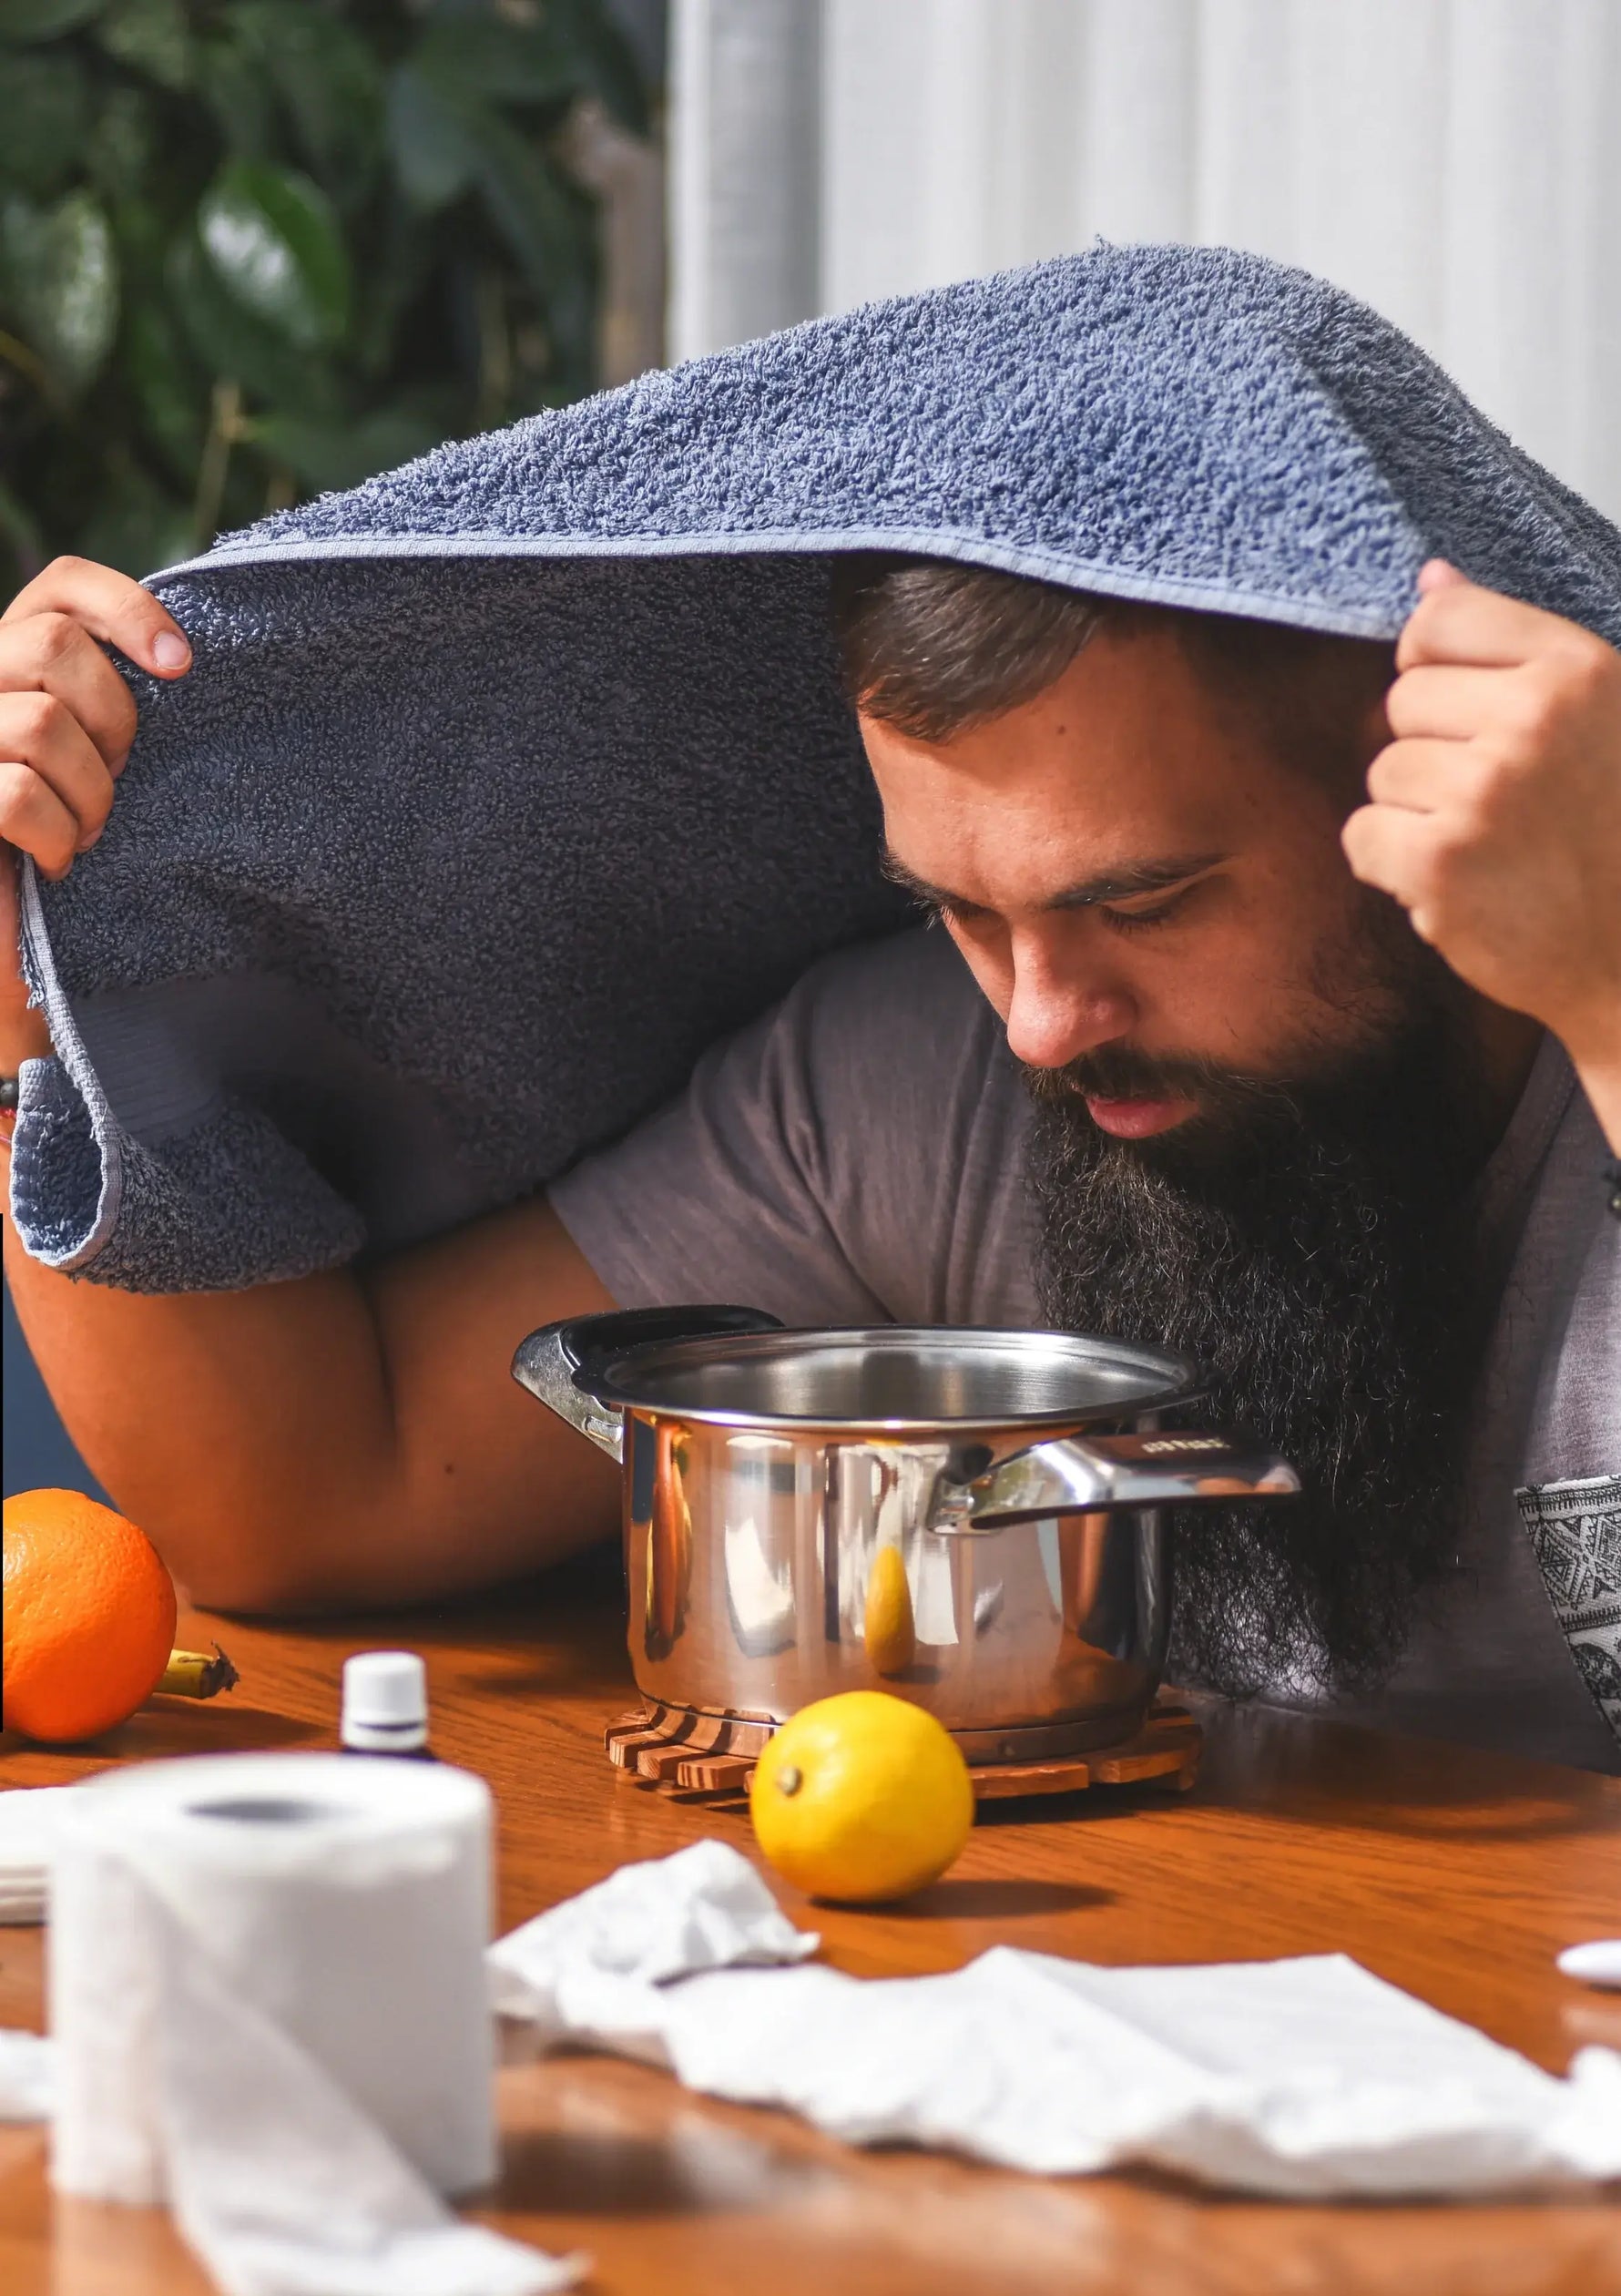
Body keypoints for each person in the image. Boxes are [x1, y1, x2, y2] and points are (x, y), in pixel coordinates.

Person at [2, 547, 1617, 1768]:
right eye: (963, 910)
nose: (1042, 1023)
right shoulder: (921, 1086)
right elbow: (313, 1492)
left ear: (1406, 786)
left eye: (1142, 903)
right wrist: (23, 952)